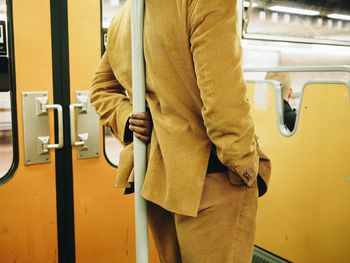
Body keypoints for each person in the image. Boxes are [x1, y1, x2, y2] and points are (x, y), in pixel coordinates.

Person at [90, 0, 271, 262]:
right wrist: (245, 165)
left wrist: (127, 117)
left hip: (156, 175)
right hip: (212, 177)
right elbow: (223, 101)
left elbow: (100, 88)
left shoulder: (127, 15)